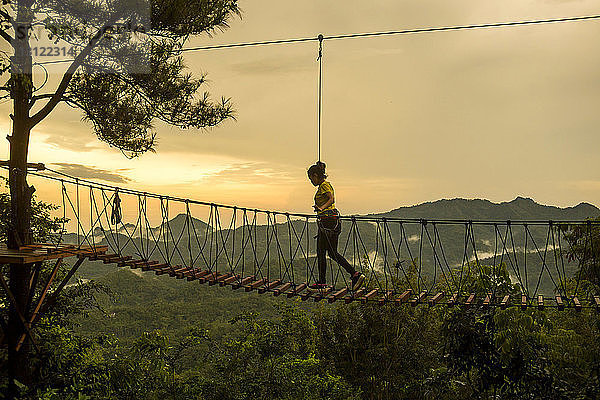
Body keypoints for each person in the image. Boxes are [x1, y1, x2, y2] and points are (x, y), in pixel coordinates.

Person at [307, 161, 365, 292]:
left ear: (315, 175)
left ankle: (322, 283)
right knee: (332, 253)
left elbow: (331, 199)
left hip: (327, 222)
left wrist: (321, 208)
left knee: (321, 252)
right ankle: (355, 274)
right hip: (332, 221)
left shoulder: (324, 185)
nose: (311, 182)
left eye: (311, 178)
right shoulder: (324, 185)